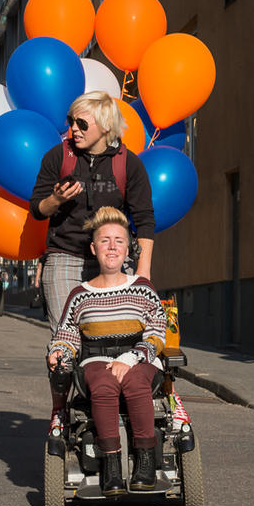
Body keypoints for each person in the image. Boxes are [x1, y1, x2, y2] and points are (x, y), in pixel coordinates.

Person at [28, 90, 155, 445]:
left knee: (120, 334)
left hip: (113, 257)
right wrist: (56, 199)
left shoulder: (128, 164)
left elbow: (144, 220)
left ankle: (113, 404)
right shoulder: (59, 156)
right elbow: (37, 208)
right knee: (64, 339)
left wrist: (142, 274)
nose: (73, 129)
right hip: (66, 254)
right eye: (70, 122)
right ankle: (61, 411)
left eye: (81, 123)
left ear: (105, 126)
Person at [48, 207, 166, 495]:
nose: (112, 246)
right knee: (103, 384)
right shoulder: (80, 294)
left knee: (136, 381)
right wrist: (59, 350)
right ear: (93, 248)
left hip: (139, 356)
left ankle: (145, 461)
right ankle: (111, 464)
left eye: (119, 240)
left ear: (128, 249)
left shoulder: (142, 289)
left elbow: (157, 331)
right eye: (104, 240)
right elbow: (68, 333)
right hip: (96, 358)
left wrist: (131, 358)